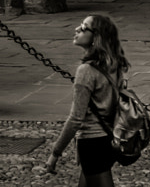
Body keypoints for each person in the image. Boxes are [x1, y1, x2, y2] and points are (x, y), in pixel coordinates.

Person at [42, 14, 129, 186]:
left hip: (92, 142)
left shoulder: (86, 71)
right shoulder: (115, 65)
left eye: (83, 28)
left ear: (96, 37)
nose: (77, 30)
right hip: (109, 138)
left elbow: (75, 119)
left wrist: (55, 153)